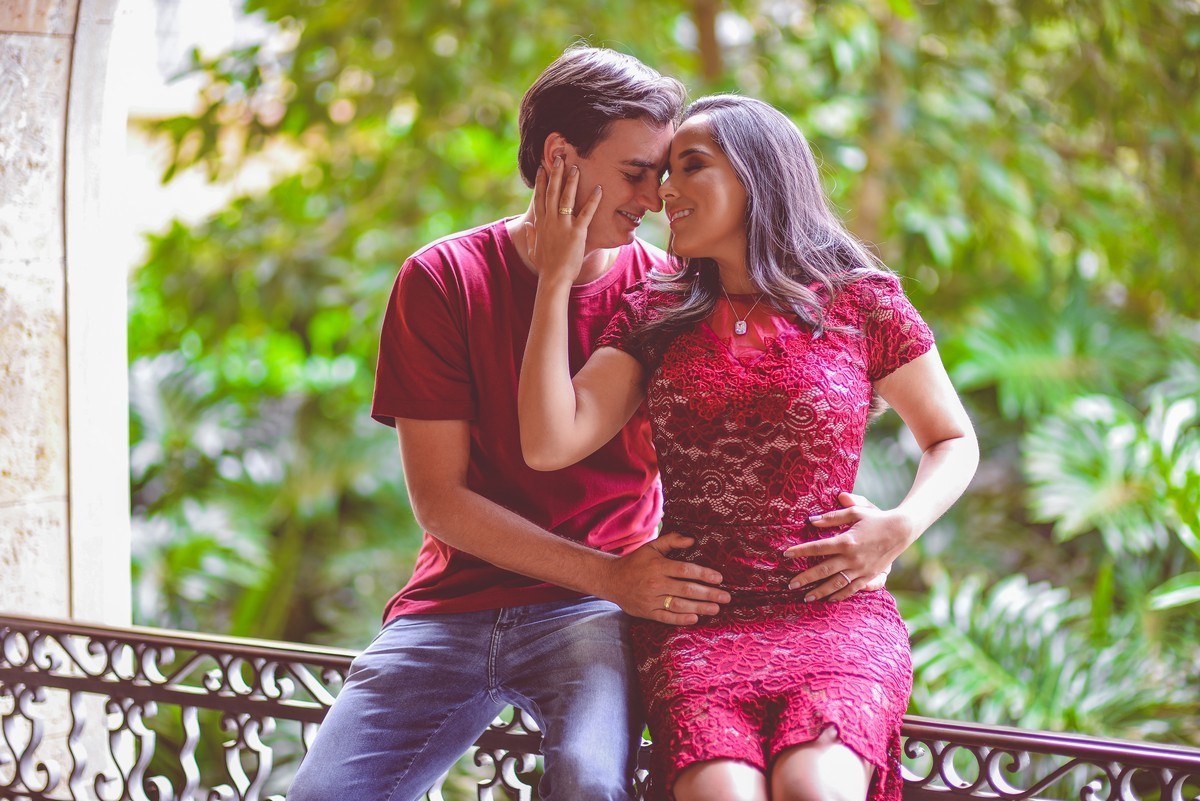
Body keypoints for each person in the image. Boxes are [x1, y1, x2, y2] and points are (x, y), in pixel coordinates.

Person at [287, 47, 733, 801]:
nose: (654, 200)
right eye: (634, 172)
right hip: (454, 604)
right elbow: (441, 500)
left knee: (591, 783)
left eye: (660, 178)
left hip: (593, 611)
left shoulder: (666, 291)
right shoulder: (442, 279)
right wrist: (611, 575)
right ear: (560, 157)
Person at [518, 94, 980, 801]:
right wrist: (555, 277)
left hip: (832, 614)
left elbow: (951, 438)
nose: (665, 190)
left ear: (758, 175)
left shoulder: (863, 302)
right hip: (697, 622)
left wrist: (898, 526)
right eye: (665, 171)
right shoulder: (654, 312)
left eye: (689, 166)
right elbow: (551, 440)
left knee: (816, 787)